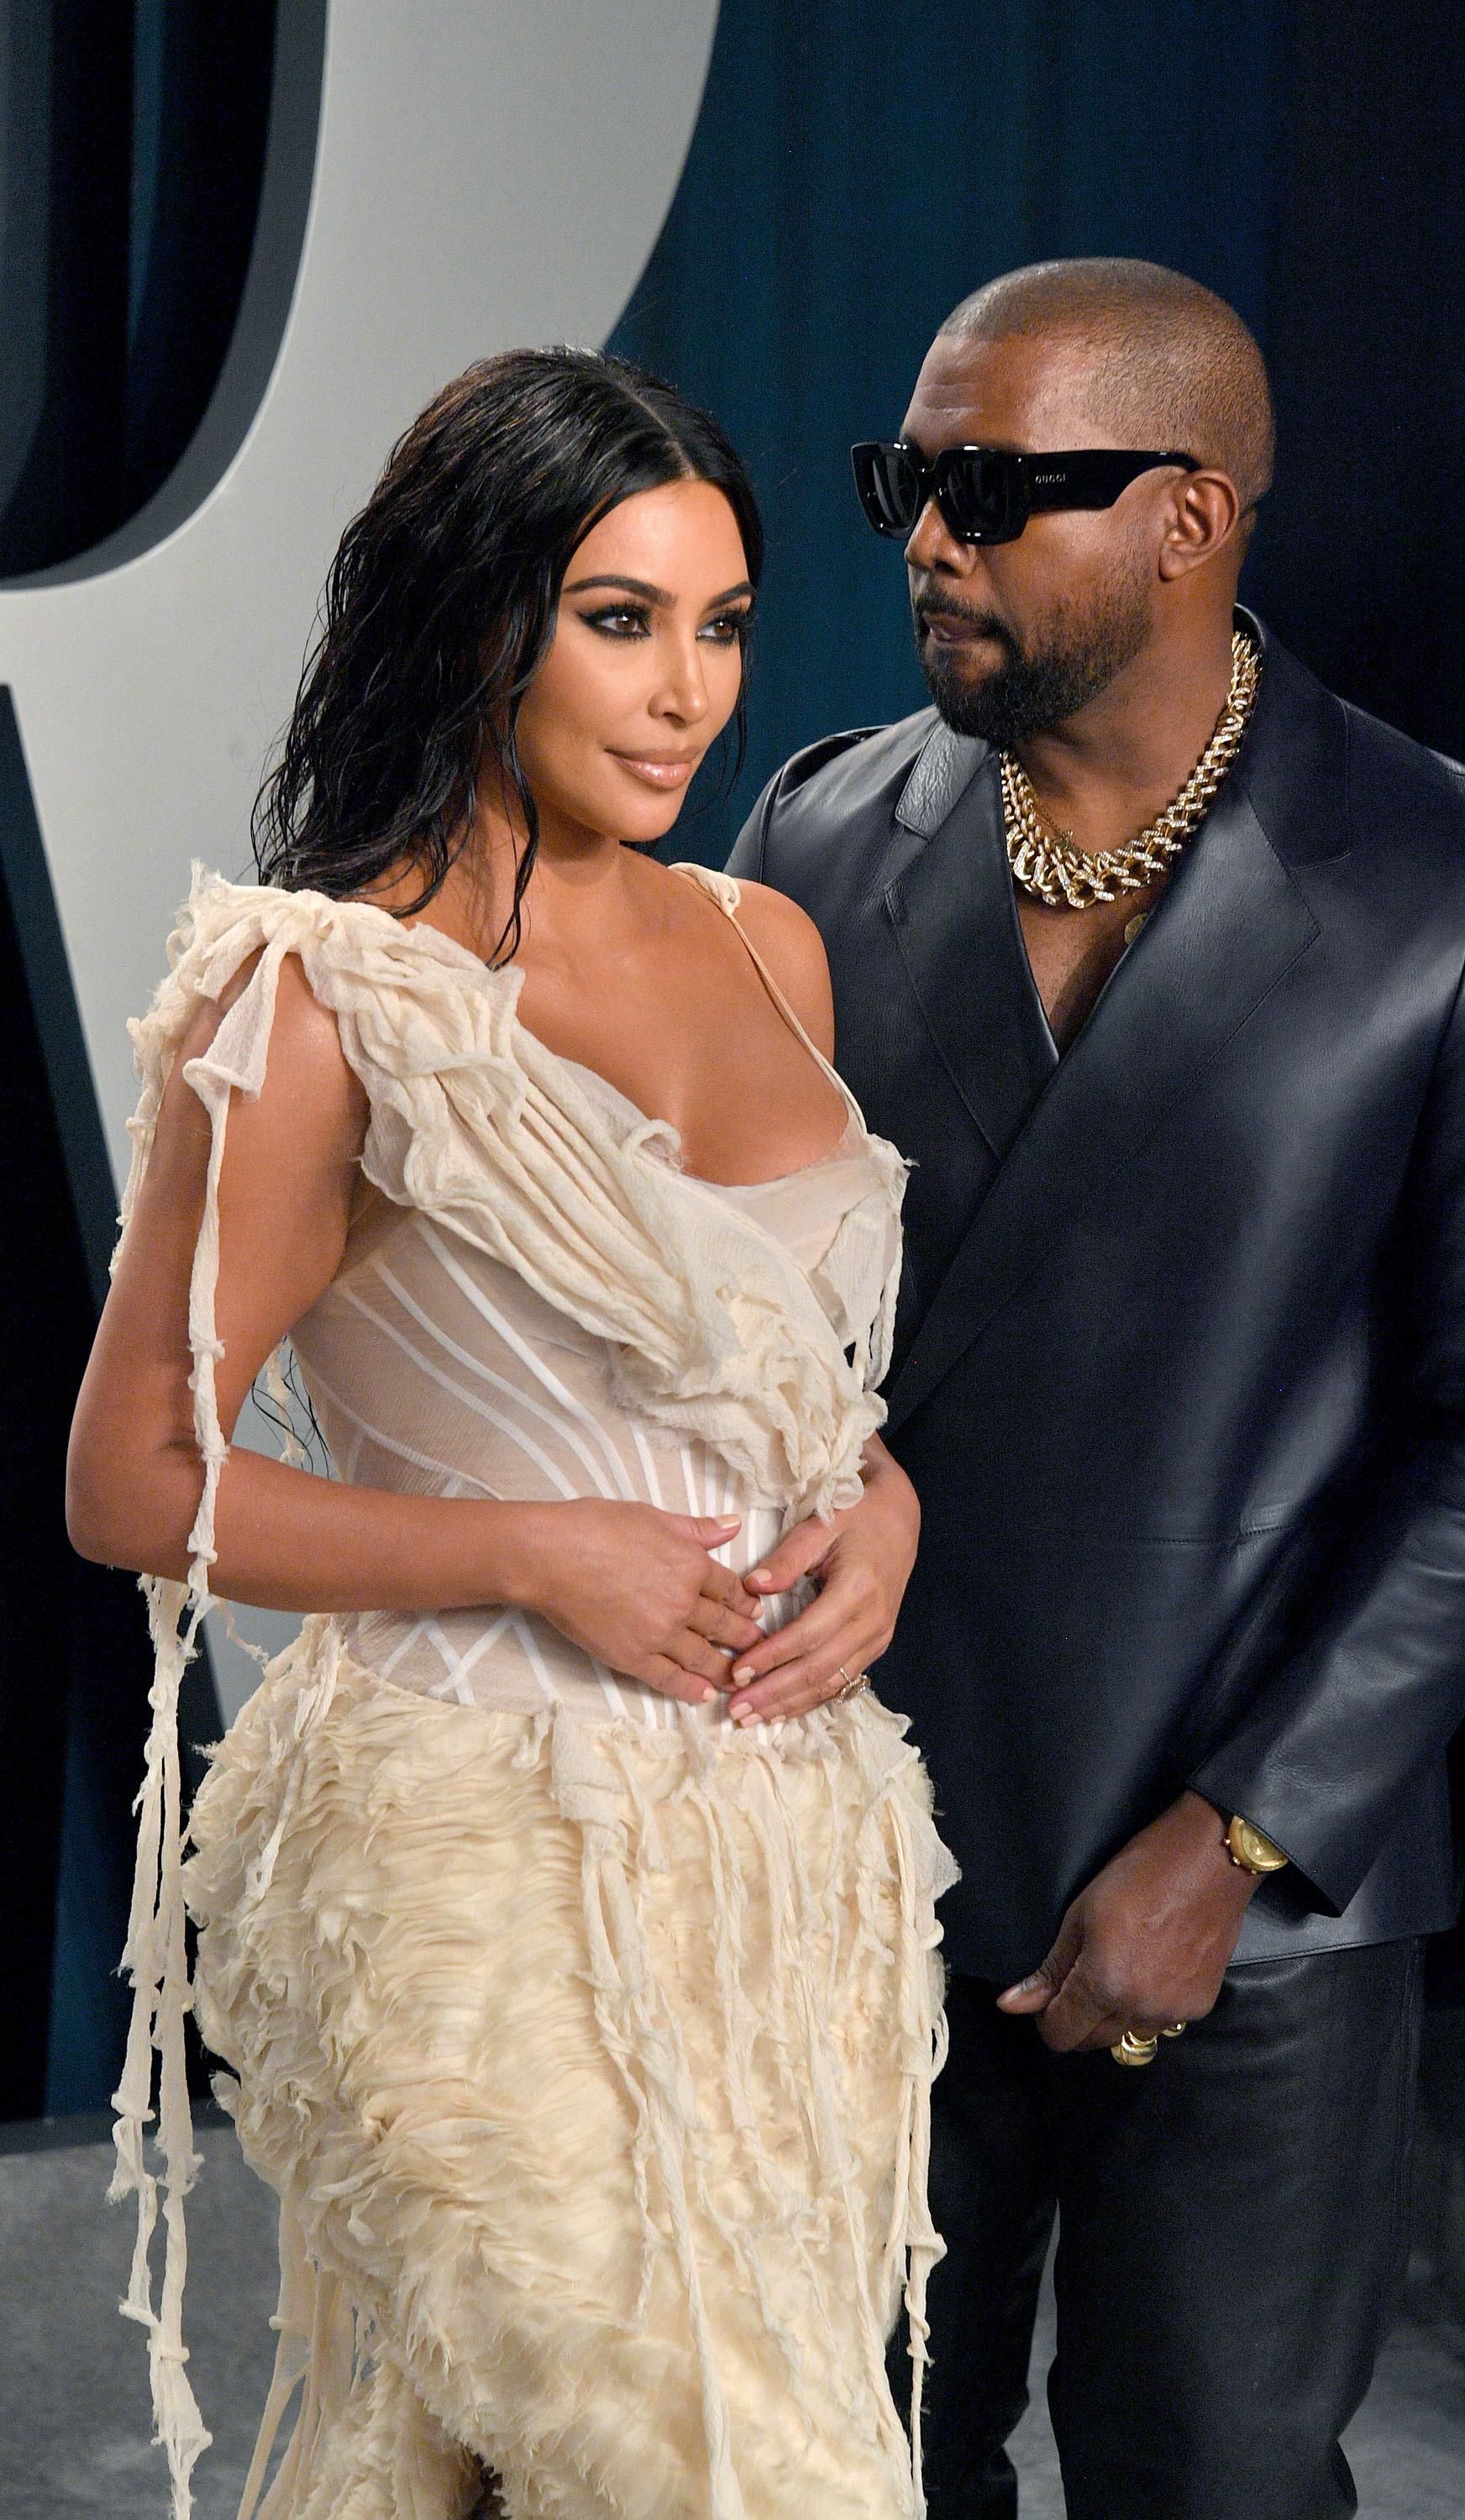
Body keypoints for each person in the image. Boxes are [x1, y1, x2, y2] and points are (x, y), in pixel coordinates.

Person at [728, 260, 1465, 2518]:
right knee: (839, 2466)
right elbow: (721, 1344)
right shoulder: (823, 839)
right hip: (860, 1852)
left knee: (1208, 2482)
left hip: (1250, 1904)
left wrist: (1238, 1838)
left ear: (1189, 518)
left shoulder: (1456, 886)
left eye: (992, 487)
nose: (926, 536)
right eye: (906, 481)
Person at [68, 349, 954, 2520]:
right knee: (733, 2478)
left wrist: (886, 1505)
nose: (686, 694)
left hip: (778, 1861)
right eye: (620, 618)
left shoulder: (774, 950)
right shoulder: (321, 999)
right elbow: (131, 1482)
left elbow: (771, 1392)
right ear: (484, 622)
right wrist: (539, 1552)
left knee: (454, 2478)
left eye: (724, 625)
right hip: (470, 1852)